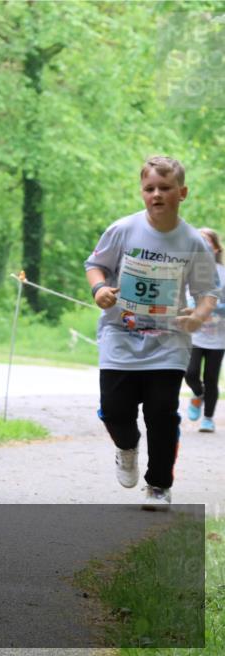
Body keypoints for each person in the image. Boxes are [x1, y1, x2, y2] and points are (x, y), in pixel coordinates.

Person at [85, 156, 218, 510]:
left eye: (165, 188)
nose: (156, 194)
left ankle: (158, 484)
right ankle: (126, 447)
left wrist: (197, 317)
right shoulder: (123, 230)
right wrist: (99, 290)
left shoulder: (193, 242)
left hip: (168, 342)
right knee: (115, 411)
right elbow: (96, 265)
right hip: (120, 336)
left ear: (182, 193)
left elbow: (208, 291)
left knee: (161, 413)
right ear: (142, 192)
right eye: (149, 188)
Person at [185, 228, 225, 433]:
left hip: (218, 336)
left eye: (206, 241)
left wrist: (210, 307)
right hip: (194, 334)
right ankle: (198, 394)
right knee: (190, 373)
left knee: (211, 377)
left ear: (216, 248)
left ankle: (208, 418)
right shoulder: (189, 269)